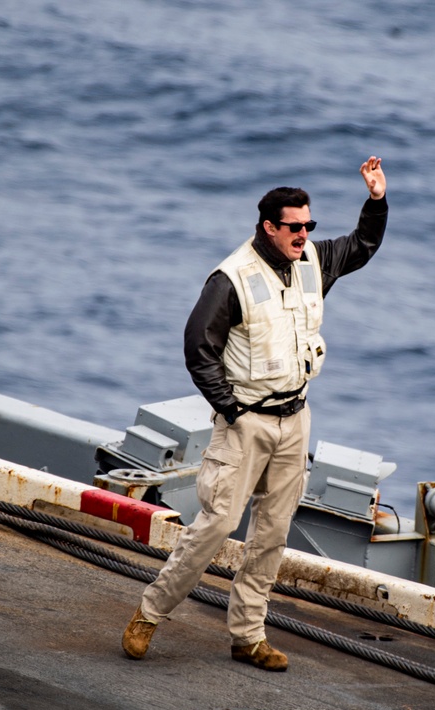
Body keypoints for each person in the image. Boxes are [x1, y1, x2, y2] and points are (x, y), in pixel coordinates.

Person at [122, 157, 388, 671]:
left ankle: (248, 637)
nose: (305, 234)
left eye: (310, 225)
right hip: (246, 423)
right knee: (216, 526)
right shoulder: (232, 279)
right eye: (295, 226)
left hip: (296, 420)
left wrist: (376, 200)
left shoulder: (313, 260)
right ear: (269, 227)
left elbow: (362, 246)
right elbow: (198, 345)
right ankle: (149, 614)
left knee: (272, 534)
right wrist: (231, 409)